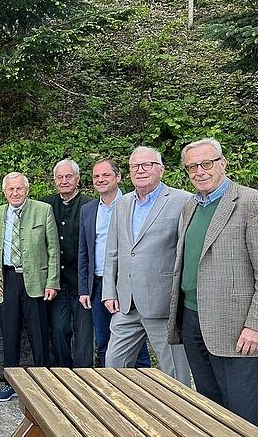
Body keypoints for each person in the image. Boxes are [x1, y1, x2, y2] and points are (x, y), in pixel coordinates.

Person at [167, 138, 258, 427]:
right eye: (192, 166)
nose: (200, 171)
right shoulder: (190, 207)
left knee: (241, 412)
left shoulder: (253, 203)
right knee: (210, 406)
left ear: (223, 163)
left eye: (206, 163)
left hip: (237, 327)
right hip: (193, 319)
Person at [102, 146, 192, 385]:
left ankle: (180, 415)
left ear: (160, 169)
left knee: (174, 371)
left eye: (147, 165)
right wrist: (109, 291)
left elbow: (186, 253)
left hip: (162, 302)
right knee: (113, 363)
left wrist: (180, 298)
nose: (140, 170)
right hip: (126, 302)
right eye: (134, 166)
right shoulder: (122, 204)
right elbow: (113, 251)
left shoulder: (182, 201)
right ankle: (118, 413)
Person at [0, 172, 59, 402]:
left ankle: (42, 383)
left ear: (27, 190)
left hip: (35, 281)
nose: (15, 193)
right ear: (4, 192)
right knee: (9, 334)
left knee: (38, 333)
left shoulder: (43, 211)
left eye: (19, 188)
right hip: (7, 280)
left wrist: (52, 282)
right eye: (11, 189)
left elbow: (53, 251)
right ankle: (11, 383)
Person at [78, 158, 151, 368]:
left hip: (126, 284)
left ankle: (145, 388)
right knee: (103, 341)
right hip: (99, 284)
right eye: (96, 176)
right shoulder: (88, 210)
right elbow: (84, 252)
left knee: (135, 341)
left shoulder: (133, 204)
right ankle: (109, 388)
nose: (100, 180)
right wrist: (84, 288)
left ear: (118, 177)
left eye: (106, 175)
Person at [39, 159, 93, 367]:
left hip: (82, 282)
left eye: (68, 176)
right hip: (56, 282)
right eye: (59, 177)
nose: (64, 181)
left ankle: (84, 375)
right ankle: (63, 371)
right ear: (54, 180)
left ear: (77, 179)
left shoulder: (90, 205)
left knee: (84, 333)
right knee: (59, 329)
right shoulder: (45, 205)